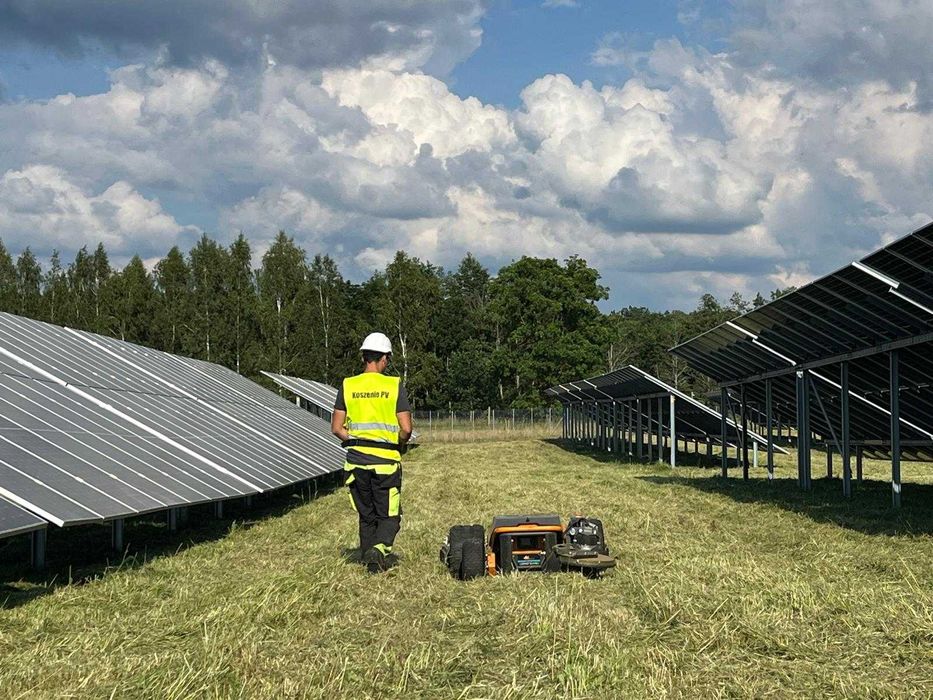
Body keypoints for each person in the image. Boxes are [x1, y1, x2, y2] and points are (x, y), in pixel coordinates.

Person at [331, 332, 413, 573]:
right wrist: (397, 443)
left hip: (355, 463)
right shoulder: (393, 385)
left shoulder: (348, 385)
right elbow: (406, 428)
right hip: (385, 464)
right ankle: (378, 550)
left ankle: (371, 564)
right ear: (384, 358)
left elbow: (336, 428)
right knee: (389, 516)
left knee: (367, 515)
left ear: (363, 357)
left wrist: (356, 440)